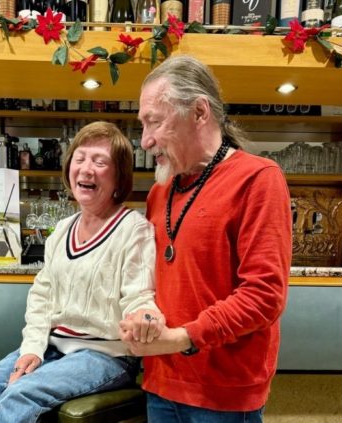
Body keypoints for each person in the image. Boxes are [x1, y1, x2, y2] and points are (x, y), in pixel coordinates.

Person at [119, 55, 292, 422]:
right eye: (142, 124)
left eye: (155, 122)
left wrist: (183, 338)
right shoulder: (160, 192)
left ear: (199, 112)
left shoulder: (258, 178)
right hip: (161, 382)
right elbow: (151, 280)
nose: (145, 141)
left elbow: (264, 296)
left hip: (224, 392)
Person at [0, 121, 163, 423]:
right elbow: (42, 297)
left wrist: (145, 314)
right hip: (53, 346)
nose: (86, 169)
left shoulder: (134, 229)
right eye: (80, 158)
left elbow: (139, 296)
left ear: (119, 176)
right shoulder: (62, 230)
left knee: (20, 394)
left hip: (107, 356)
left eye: (99, 162)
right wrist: (32, 349)